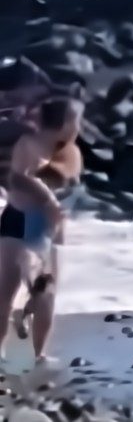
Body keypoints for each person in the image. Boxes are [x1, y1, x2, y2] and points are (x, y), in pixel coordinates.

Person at [0, 97, 83, 363]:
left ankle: (38, 354)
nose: (79, 127)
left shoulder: (70, 152)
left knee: (44, 293)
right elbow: (17, 177)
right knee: (5, 291)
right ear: (64, 124)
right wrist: (48, 199)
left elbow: (70, 192)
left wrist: (60, 231)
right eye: (76, 121)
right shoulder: (29, 144)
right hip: (19, 219)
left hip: (46, 227)